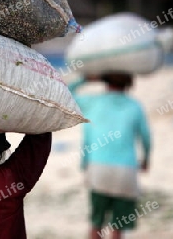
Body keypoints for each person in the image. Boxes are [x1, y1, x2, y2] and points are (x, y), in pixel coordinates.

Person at [69, 73, 151, 239]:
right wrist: (146, 160)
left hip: (98, 168)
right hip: (126, 171)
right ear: (129, 83)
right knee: (118, 226)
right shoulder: (135, 106)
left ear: (105, 81)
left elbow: (66, 92)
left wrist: (86, 79)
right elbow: (146, 138)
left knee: (96, 223)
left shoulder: (92, 102)